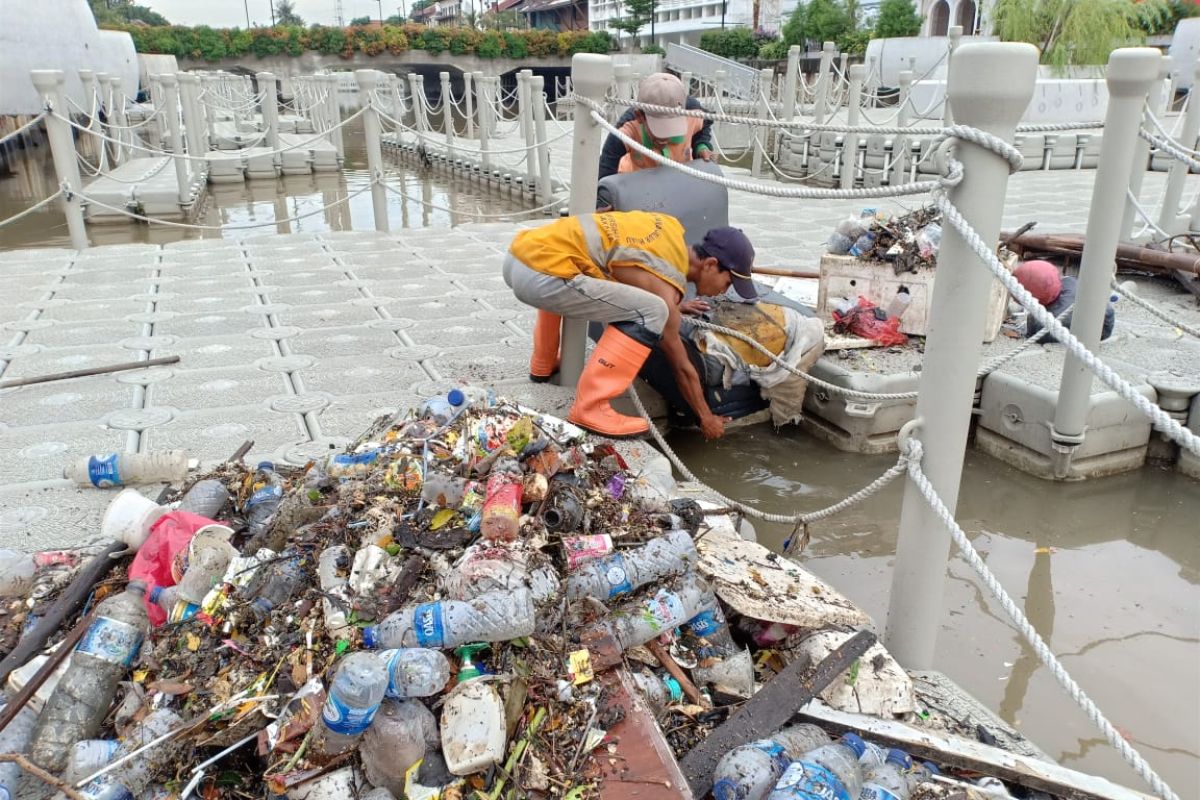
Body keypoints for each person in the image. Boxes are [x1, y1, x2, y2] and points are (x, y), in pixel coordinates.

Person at [503, 211, 758, 439]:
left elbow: (628, 269)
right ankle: (590, 407)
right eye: (728, 283)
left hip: (519, 256)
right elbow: (682, 368)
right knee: (652, 311)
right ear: (711, 264)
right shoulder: (664, 291)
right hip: (539, 278)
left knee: (581, 267)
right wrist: (706, 417)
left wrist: (673, 304)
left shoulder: (667, 229)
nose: (724, 291)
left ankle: (543, 362)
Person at [597, 73, 716, 180]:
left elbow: (704, 126)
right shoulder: (626, 129)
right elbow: (606, 167)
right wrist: (605, 198)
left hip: (678, 179)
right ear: (640, 117)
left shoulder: (692, 112)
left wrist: (701, 147)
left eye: (671, 126)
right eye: (660, 128)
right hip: (639, 181)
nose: (665, 138)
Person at [1013, 259, 1114, 343]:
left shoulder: (1041, 325)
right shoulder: (1070, 281)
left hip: (1099, 331)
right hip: (1106, 317)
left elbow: (1033, 335)